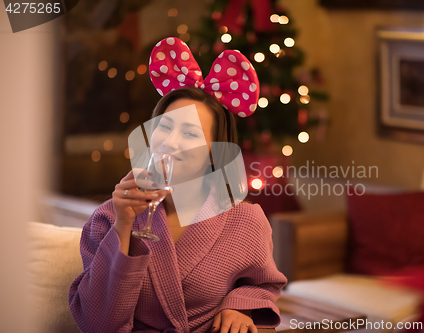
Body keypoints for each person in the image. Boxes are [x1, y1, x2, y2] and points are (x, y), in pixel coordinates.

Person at [69, 37, 288, 333]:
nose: (170, 143)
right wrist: (123, 225)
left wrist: (237, 306)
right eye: (165, 127)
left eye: (189, 133)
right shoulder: (108, 218)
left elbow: (261, 285)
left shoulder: (245, 221)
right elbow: (98, 323)